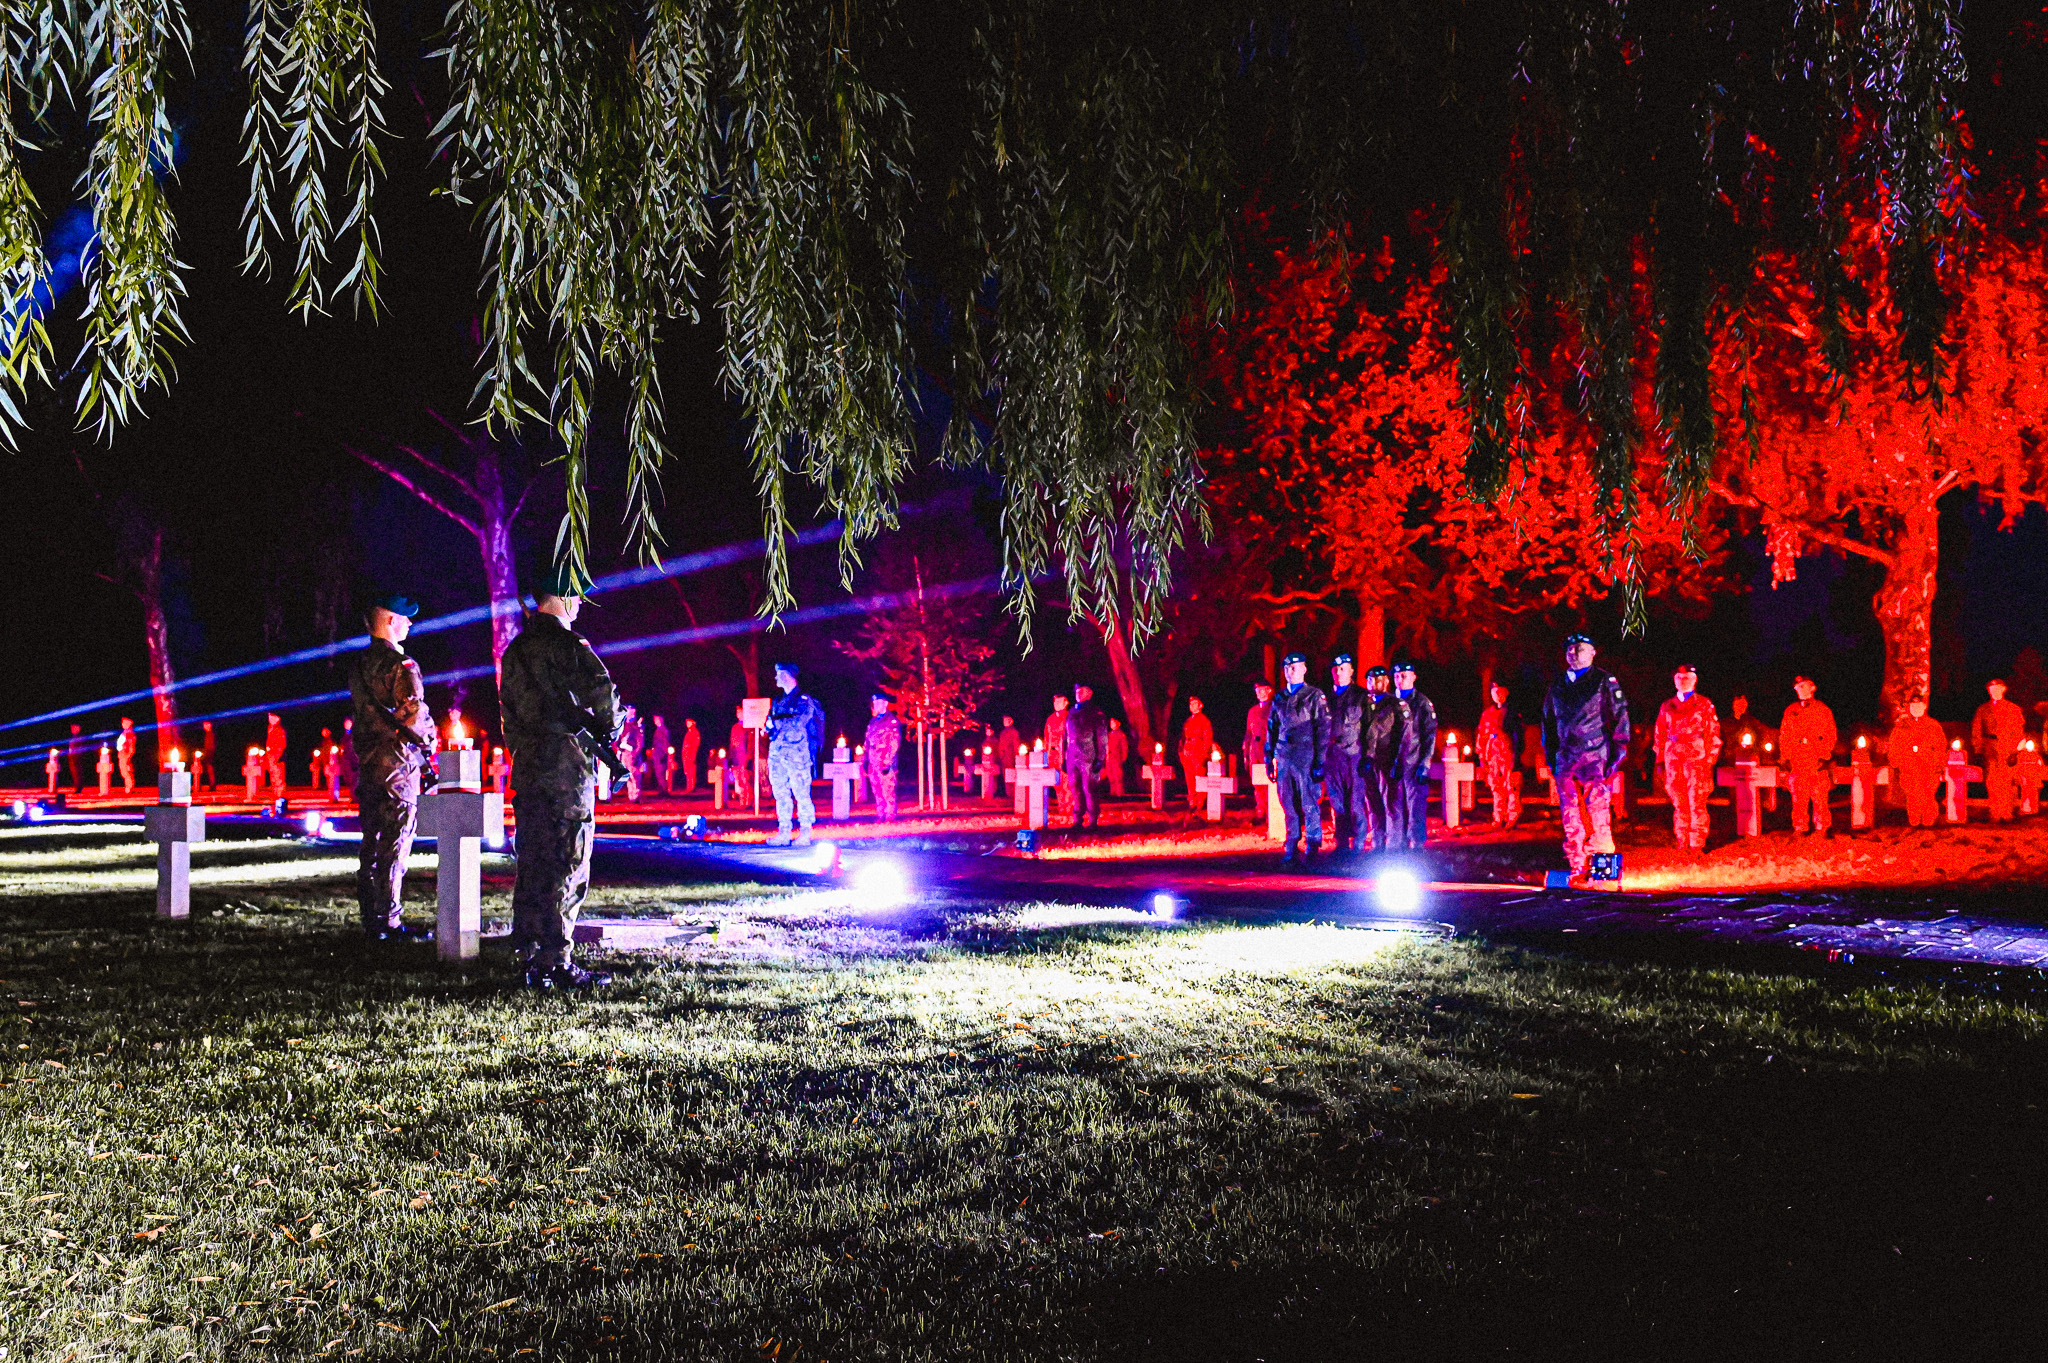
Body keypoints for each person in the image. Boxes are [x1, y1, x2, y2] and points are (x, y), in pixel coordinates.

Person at [501, 562, 619, 989]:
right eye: (577, 596)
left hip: (529, 767)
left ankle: (526, 953)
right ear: (564, 599)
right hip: (567, 768)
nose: (581, 604)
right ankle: (557, 960)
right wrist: (611, 730)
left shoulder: (515, 651)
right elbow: (604, 695)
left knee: (533, 859)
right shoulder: (569, 645)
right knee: (568, 858)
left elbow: (509, 715)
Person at [346, 592, 436, 941]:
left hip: (369, 762)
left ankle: (371, 917)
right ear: (390, 620)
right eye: (405, 617)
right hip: (398, 764)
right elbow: (412, 713)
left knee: (371, 842)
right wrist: (430, 741)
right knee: (396, 841)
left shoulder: (359, 665)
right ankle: (390, 921)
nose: (410, 623)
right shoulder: (400, 665)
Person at [1541, 634, 1631, 884]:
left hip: (1595, 754)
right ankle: (1577, 864)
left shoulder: (1603, 681)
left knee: (1598, 807)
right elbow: (1548, 721)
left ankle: (1602, 863)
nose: (1573, 654)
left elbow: (1620, 717)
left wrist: (1618, 752)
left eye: (1579, 649)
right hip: (1566, 756)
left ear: (1592, 653)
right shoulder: (1558, 684)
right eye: (1570, 650)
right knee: (1569, 811)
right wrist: (1551, 755)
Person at [1264, 652, 1330, 864]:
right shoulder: (1279, 697)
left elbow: (1323, 729)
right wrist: (1268, 757)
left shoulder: (1314, 695)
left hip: (1305, 755)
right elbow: (1272, 727)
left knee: (1309, 801)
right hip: (1284, 756)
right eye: (1287, 668)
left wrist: (1319, 760)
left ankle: (1313, 843)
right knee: (1287, 802)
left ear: (1304, 669)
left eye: (1294, 668)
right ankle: (1292, 841)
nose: (1290, 672)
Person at [1653, 665, 1720, 854]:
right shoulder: (1667, 706)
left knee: (1697, 801)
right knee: (1679, 801)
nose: (1683, 681)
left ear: (1695, 680)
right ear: (1674, 680)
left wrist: (1710, 759)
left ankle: (1697, 843)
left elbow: (1713, 733)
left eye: (1687, 677)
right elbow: (1660, 733)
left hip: (1696, 758)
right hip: (1673, 757)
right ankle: (1682, 840)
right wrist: (1659, 760)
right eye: (1679, 677)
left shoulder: (1704, 704)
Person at [765, 662, 826, 845]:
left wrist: (776, 723)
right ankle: (784, 832)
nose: (775, 678)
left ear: (786, 675)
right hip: (777, 754)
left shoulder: (804, 700)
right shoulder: (777, 701)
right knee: (780, 793)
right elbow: (769, 723)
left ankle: (805, 832)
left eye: (778, 674)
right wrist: (770, 726)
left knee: (801, 793)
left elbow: (799, 722)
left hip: (797, 755)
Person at [1388, 661, 1438, 850]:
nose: (1400, 680)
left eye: (1404, 676)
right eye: (1397, 676)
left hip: (1414, 761)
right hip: (1393, 762)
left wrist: (1425, 763)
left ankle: (1417, 844)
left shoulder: (1422, 703)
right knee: (1394, 805)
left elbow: (1429, 735)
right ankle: (1397, 844)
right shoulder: (1389, 702)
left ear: (1413, 677)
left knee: (1415, 805)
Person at [1779, 675, 1838, 836]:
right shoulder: (1791, 711)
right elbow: (1784, 735)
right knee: (1798, 796)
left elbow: (1830, 735)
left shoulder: (1822, 710)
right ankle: (1800, 827)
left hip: (1816, 759)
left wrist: (1824, 756)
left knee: (1819, 796)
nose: (1800, 690)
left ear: (1813, 688)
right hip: (1797, 759)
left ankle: (1822, 827)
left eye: (1803, 686)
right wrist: (1785, 757)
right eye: (1797, 688)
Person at [1324, 655, 1371, 852]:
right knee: (1337, 803)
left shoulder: (1361, 696)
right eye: (1335, 669)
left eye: (1343, 668)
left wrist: (1368, 755)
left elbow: (1369, 728)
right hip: (1332, 757)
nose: (1339, 673)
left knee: (1355, 803)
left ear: (1352, 671)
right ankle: (1342, 845)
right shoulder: (1325, 698)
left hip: (1354, 755)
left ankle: (1358, 844)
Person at [1972, 678, 2027, 823]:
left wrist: (2016, 752)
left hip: (2007, 748)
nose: (1994, 691)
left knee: (2008, 782)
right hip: (1990, 748)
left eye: (1997, 688)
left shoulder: (2013, 709)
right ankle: (1995, 814)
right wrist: (1978, 750)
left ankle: (2007, 813)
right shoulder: (1983, 709)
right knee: (1992, 783)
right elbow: (1977, 731)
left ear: (2004, 689)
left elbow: (2019, 733)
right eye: (1991, 689)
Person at [1889, 697, 1947, 827]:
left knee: (1928, 793)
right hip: (1909, 765)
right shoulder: (1902, 726)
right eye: (1913, 706)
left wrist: (1939, 763)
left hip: (1928, 765)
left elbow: (1940, 746)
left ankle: (1928, 820)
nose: (1916, 709)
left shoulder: (1933, 726)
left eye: (1919, 705)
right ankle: (1914, 820)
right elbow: (1894, 746)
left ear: (1924, 707)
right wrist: (1896, 762)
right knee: (1912, 794)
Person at [1361, 666, 1401, 849]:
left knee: (1390, 804)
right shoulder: (1364, 703)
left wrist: (1398, 760)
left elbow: (1403, 734)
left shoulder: (1395, 704)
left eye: (1378, 679)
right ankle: (1377, 844)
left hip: (1386, 758)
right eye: (1370, 679)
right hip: (1368, 761)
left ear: (1386, 681)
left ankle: (1393, 845)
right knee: (1373, 804)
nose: (1374, 683)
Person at [1065, 682, 1111, 829]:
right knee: (1075, 788)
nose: (1078, 694)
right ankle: (1077, 819)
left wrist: (1100, 759)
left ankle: (1093, 819)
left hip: (1088, 757)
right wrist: (1064, 757)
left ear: (1089, 694)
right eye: (1077, 692)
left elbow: (1101, 737)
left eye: (1081, 692)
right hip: (1072, 757)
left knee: (1089, 789)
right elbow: (1065, 736)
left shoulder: (1095, 713)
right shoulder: (1072, 712)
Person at [1475, 682, 1520, 829]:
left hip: (1508, 754)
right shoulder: (1487, 714)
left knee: (1511, 785)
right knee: (1495, 787)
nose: (1497, 695)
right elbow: (1481, 735)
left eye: (1500, 691)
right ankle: (1498, 816)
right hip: (1492, 755)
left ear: (1506, 692)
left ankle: (1512, 816)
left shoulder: (1512, 713)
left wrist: (1516, 755)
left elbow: (1518, 735)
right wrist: (1481, 756)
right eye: (1494, 692)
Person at [864, 690, 903, 821]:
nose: (875, 705)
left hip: (885, 761)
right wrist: (866, 759)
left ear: (885, 704)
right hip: (873, 761)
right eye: (874, 703)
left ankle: (890, 815)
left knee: (888, 788)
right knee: (876, 789)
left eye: (878, 703)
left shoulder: (891, 721)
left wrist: (887, 761)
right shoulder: (873, 722)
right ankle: (881, 815)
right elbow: (867, 741)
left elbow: (894, 743)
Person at [1178, 697, 1215, 812]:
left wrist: (1205, 753)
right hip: (1187, 751)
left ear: (1200, 706)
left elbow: (1207, 738)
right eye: (1191, 704)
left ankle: (1200, 801)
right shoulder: (1188, 721)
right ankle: (1192, 801)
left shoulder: (1204, 720)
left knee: (1200, 777)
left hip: (1198, 751)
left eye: (1195, 704)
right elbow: (1183, 737)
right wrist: (1181, 752)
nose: (1192, 706)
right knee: (1189, 778)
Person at [1242, 680, 1275, 806]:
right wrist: (1246, 749)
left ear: (1268, 690)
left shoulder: (1273, 708)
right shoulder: (1253, 711)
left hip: (1267, 747)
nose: (1258, 693)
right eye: (1257, 690)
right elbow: (1248, 732)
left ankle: (1269, 807)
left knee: (1268, 777)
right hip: (1254, 748)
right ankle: (1260, 806)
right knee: (1256, 779)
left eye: (1261, 690)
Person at [1043, 695, 1073, 813]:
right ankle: (1061, 806)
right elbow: (1047, 737)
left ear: (1066, 703)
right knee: (1057, 782)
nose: (1056, 704)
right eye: (1055, 702)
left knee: (1068, 782)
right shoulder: (1050, 719)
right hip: (1053, 755)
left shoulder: (1070, 717)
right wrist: (1046, 753)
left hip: (1066, 754)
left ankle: (1069, 806)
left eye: (1059, 701)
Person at [616, 704, 644, 801]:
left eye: (628, 710)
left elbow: (640, 741)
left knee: (634, 775)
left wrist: (635, 754)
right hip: (624, 753)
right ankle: (631, 795)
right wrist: (619, 748)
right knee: (627, 775)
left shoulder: (636, 725)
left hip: (632, 753)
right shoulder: (624, 724)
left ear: (633, 711)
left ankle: (636, 795)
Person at [728, 705, 753, 800]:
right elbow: (732, 742)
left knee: (745, 779)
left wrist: (748, 757)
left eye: (741, 712)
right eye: (738, 712)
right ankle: (742, 800)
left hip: (744, 757)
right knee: (739, 780)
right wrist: (730, 756)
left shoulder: (748, 727)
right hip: (735, 758)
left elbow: (750, 743)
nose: (739, 714)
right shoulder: (734, 727)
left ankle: (749, 800)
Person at [263, 713, 287, 796]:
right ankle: (275, 791)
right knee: (272, 773)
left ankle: (280, 792)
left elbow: (282, 744)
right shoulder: (270, 728)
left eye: (271, 718)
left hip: (277, 754)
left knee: (278, 773)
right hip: (270, 754)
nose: (270, 720)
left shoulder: (279, 730)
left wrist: (278, 754)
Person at [649, 715, 674, 795]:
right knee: (658, 773)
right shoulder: (658, 730)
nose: (655, 721)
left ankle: (664, 790)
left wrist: (664, 754)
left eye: (656, 719)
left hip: (661, 755)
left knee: (661, 772)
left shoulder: (663, 730)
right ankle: (661, 789)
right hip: (657, 754)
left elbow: (665, 742)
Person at [1106, 718, 1131, 796]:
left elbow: (1124, 747)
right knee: (1110, 775)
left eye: (1113, 723)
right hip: (1110, 757)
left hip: (1117, 757)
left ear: (1118, 724)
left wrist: (1123, 757)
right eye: (1111, 723)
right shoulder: (1109, 734)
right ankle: (1113, 792)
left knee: (1118, 775)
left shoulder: (1121, 735)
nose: (1112, 724)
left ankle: (1119, 792)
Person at [337, 718, 359, 801]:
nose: (347, 725)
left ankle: (355, 796)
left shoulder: (354, 734)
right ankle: (352, 796)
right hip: (346, 760)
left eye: (349, 723)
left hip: (352, 759)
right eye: (345, 723)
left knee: (354, 779)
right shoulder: (345, 735)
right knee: (348, 780)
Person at [679, 717, 702, 795]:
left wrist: (693, 755)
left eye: (689, 722)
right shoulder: (689, 732)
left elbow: (695, 745)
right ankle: (689, 787)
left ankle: (691, 787)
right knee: (688, 771)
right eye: (687, 722)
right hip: (687, 755)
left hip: (690, 755)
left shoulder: (694, 732)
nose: (687, 724)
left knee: (691, 771)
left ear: (693, 723)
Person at [115, 717, 138, 792]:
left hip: (125, 753)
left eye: (124, 723)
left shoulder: (129, 734)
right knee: (125, 770)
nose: (122, 724)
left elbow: (130, 745)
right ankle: (129, 786)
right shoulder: (126, 733)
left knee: (125, 770)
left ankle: (129, 786)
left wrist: (128, 754)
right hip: (123, 752)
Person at [199, 720, 218, 792]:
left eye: (205, 725)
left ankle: (212, 786)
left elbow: (211, 746)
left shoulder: (211, 734)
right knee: (207, 770)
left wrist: (208, 754)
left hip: (210, 754)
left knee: (210, 770)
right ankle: (209, 785)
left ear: (209, 725)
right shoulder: (208, 734)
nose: (204, 727)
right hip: (208, 754)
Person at [66, 723, 86, 792]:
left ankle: (78, 787)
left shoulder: (79, 737)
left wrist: (75, 754)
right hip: (73, 756)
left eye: (74, 728)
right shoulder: (74, 737)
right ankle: (77, 786)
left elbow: (79, 747)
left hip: (76, 757)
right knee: (74, 772)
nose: (72, 729)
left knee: (77, 772)